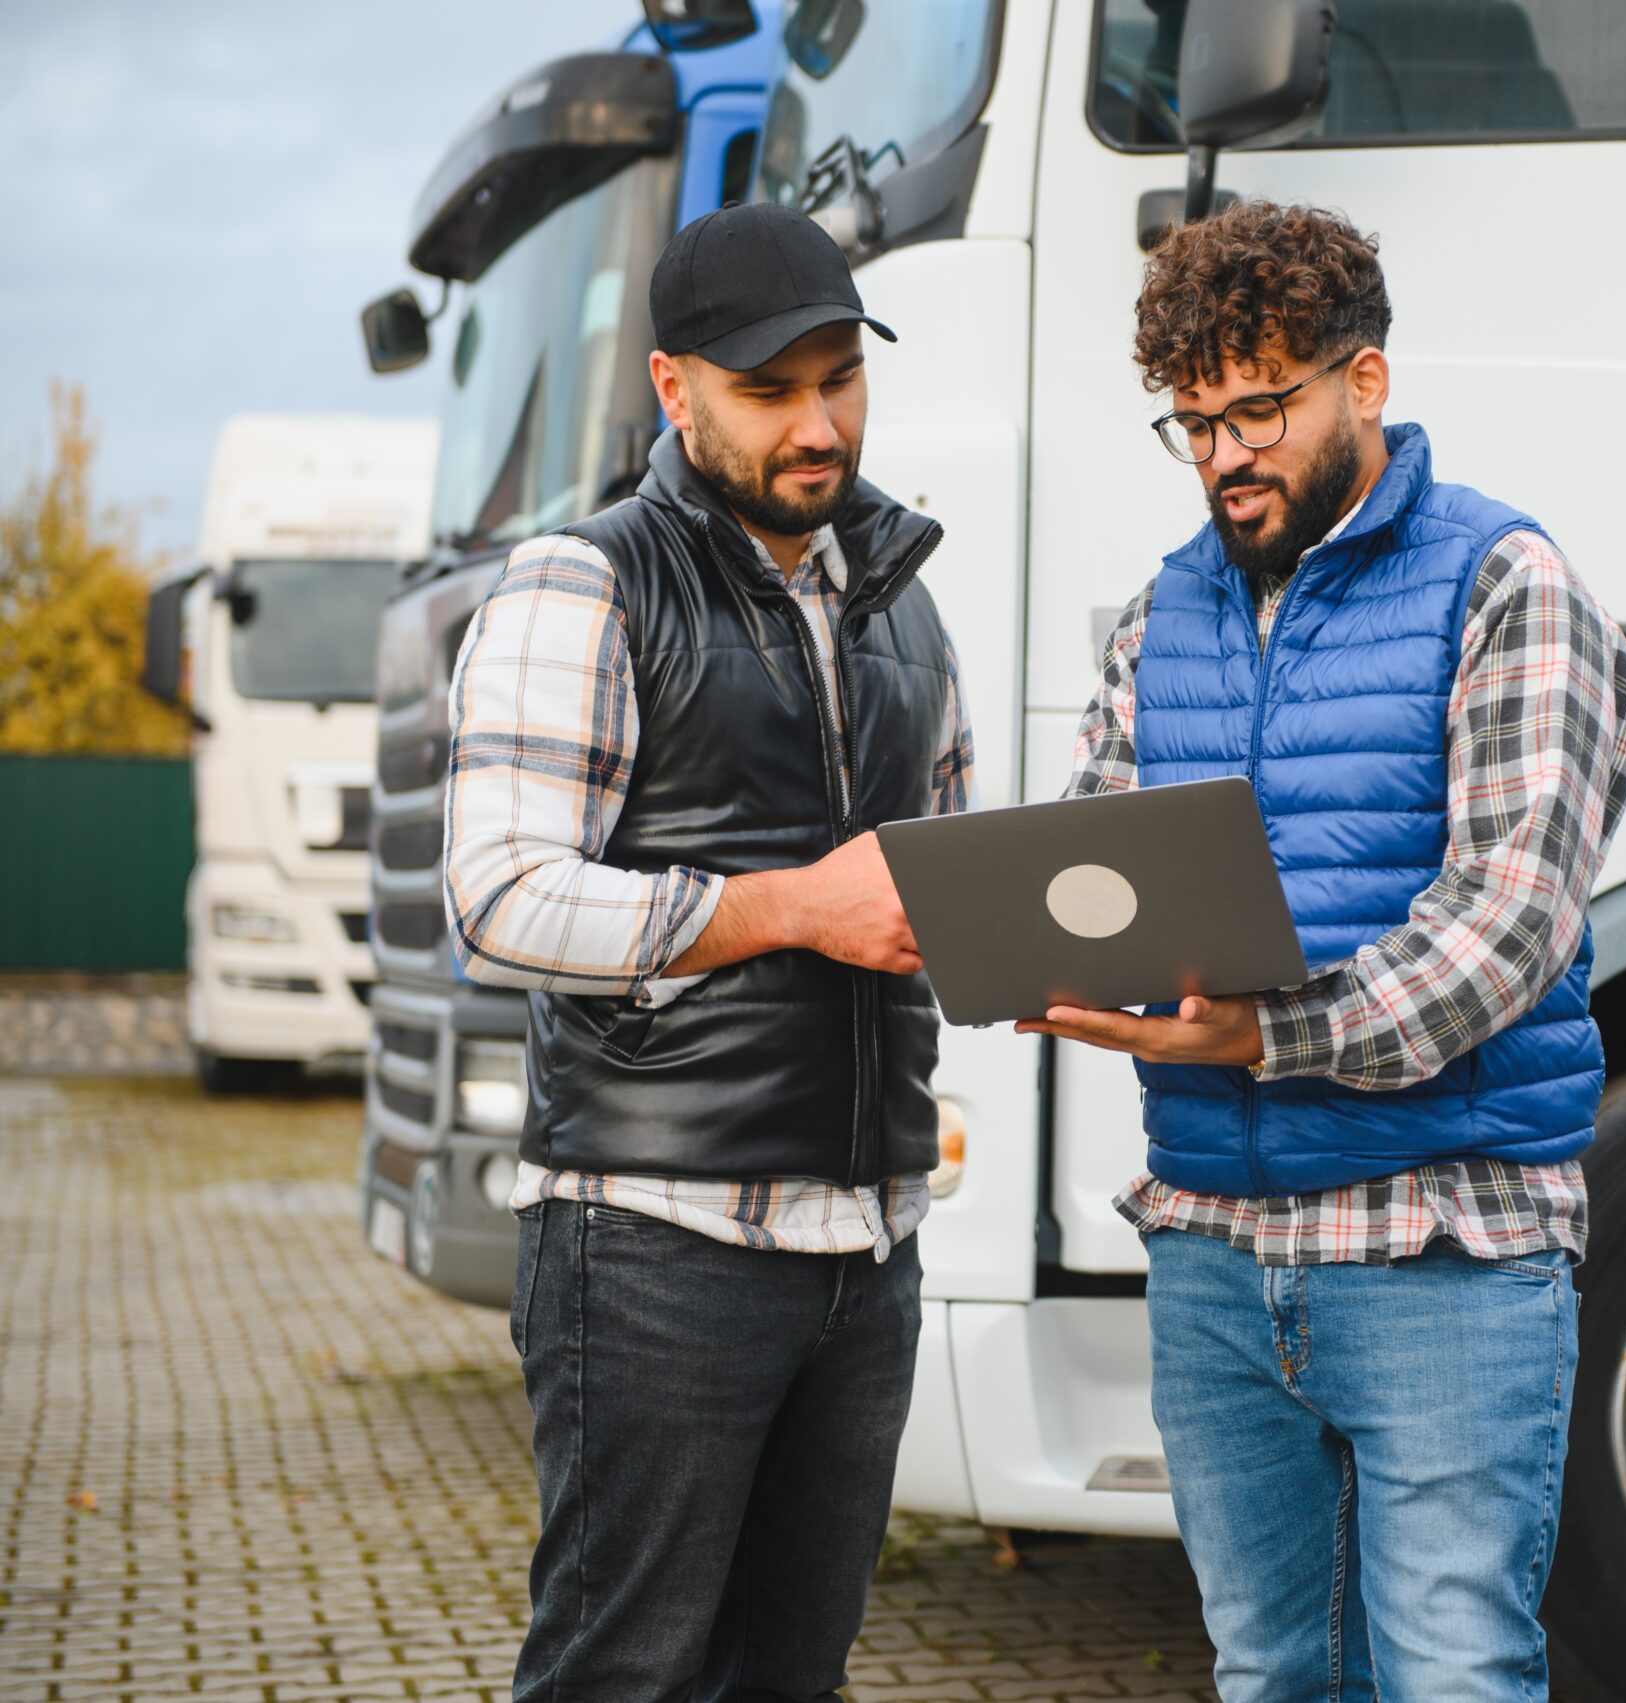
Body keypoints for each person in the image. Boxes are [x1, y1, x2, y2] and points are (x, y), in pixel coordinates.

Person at [1019, 201, 1626, 1700]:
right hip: (1217, 1251)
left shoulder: (1510, 586)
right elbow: (1104, 857)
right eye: (1194, 424)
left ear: (1364, 382)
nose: (1228, 454)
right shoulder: (1161, 615)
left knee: (1448, 1671)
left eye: (1260, 409)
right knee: (1268, 1675)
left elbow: (1505, 925)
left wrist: (1265, 1038)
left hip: (1442, 1243)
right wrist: (1025, 940)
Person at [442, 202, 968, 1702]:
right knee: (628, 1676)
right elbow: (498, 898)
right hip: (655, 1246)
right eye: (771, 389)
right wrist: (789, 904)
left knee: (790, 1681)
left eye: (839, 380)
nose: (819, 424)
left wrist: (1070, 939)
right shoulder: (581, 585)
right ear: (674, 391)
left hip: (865, 1250)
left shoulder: (909, 611)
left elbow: (934, 870)